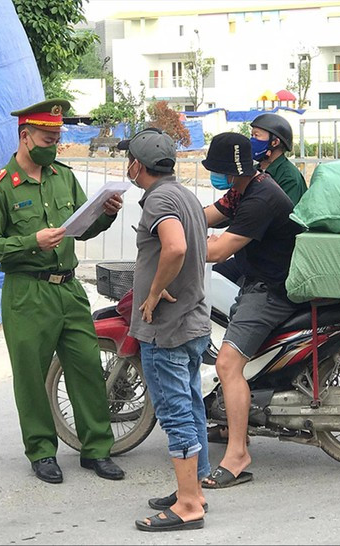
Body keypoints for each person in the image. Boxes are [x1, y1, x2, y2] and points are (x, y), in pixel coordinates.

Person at [0, 99, 125, 484]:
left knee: (87, 368)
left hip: (69, 289)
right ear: (26, 137)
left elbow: (82, 227)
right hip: (27, 294)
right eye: (48, 138)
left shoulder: (63, 176)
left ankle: (96, 450)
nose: (54, 145)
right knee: (31, 376)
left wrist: (105, 213)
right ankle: (42, 451)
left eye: (58, 138)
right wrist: (30, 242)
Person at [200, 133, 303, 489]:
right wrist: (171, 221)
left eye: (219, 170)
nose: (218, 176)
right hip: (256, 281)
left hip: (270, 291)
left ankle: (238, 454)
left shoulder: (260, 198)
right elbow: (208, 215)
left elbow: (217, 251)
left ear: (231, 171)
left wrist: (176, 244)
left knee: (227, 363)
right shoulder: (245, 188)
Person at [120, 128, 212, 532]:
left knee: (176, 416)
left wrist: (154, 294)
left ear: (137, 166)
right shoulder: (186, 195)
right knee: (191, 407)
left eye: (129, 161)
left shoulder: (159, 199)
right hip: (193, 323)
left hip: (167, 331)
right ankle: (195, 490)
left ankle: (189, 504)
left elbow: (175, 248)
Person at [212, 113, 307, 288]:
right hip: (247, 256)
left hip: (272, 264)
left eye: (256, 135)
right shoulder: (252, 174)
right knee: (214, 276)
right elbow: (224, 209)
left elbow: (267, 218)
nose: (251, 140)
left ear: (274, 142)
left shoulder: (287, 177)